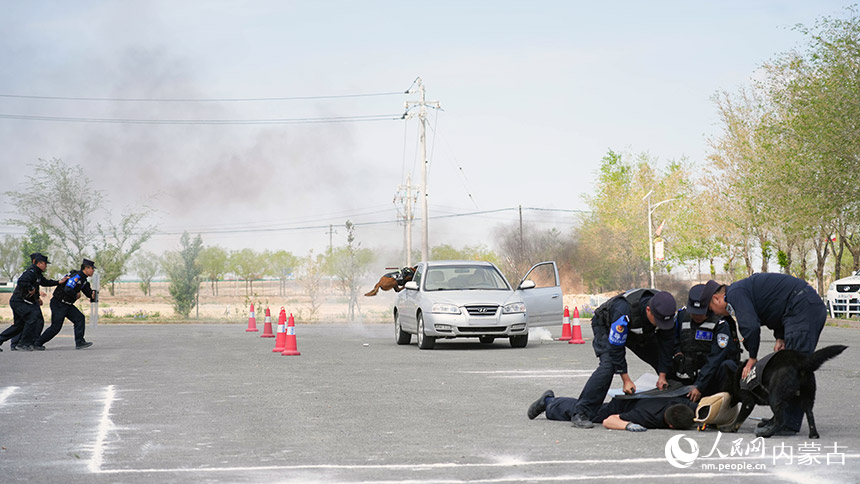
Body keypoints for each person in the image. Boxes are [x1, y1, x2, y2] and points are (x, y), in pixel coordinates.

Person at [704, 275, 827, 435]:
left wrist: (752, 357)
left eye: (712, 309)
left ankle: (787, 423)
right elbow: (773, 306)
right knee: (790, 367)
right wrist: (780, 336)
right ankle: (781, 418)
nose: (717, 314)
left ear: (716, 299)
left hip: (802, 309)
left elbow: (750, 326)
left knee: (795, 368)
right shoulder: (741, 290)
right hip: (798, 308)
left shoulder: (735, 294)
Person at [569, 289, 677, 428]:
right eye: (659, 321)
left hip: (639, 331)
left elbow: (666, 346)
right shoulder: (623, 310)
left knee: (667, 366)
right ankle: (581, 412)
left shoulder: (664, 312)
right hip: (607, 326)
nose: (661, 325)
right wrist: (626, 380)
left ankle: (676, 398)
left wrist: (663, 375)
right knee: (608, 366)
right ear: (649, 310)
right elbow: (616, 348)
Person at [672, 283, 740, 402]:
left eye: (700, 313)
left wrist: (699, 385)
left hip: (712, 375)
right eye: (693, 312)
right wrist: (677, 352)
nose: (696, 316)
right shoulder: (682, 316)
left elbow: (715, 359)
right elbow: (674, 338)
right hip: (689, 372)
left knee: (727, 365)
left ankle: (722, 401)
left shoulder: (721, 323)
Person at [527, 389, 696, 431]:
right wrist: (627, 425)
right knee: (589, 413)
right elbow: (610, 420)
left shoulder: (682, 403)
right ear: (671, 427)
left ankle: (551, 401)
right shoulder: (646, 417)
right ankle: (549, 402)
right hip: (623, 404)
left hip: (642, 395)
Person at [0, 253, 66, 351]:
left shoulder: (37, 274)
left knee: (19, 325)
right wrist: (31, 288)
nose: (46, 266)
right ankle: (23, 343)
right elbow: (21, 281)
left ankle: (22, 342)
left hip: (22, 301)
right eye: (45, 264)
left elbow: (45, 282)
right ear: (39, 263)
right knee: (32, 318)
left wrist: (58, 282)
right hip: (19, 301)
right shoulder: (31, 272)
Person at [33, 258, 97, 350]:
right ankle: (37, 343)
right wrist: (75, 295)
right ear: (86, 268)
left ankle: (80, 342)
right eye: (92, 269)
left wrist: (92, 295)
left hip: (67, 305)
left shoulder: (84, 280)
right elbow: (67, 289)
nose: (93, 271)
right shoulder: (77, 277)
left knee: (79, 318)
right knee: (56, 327)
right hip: (59, 303)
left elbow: (87, 292)